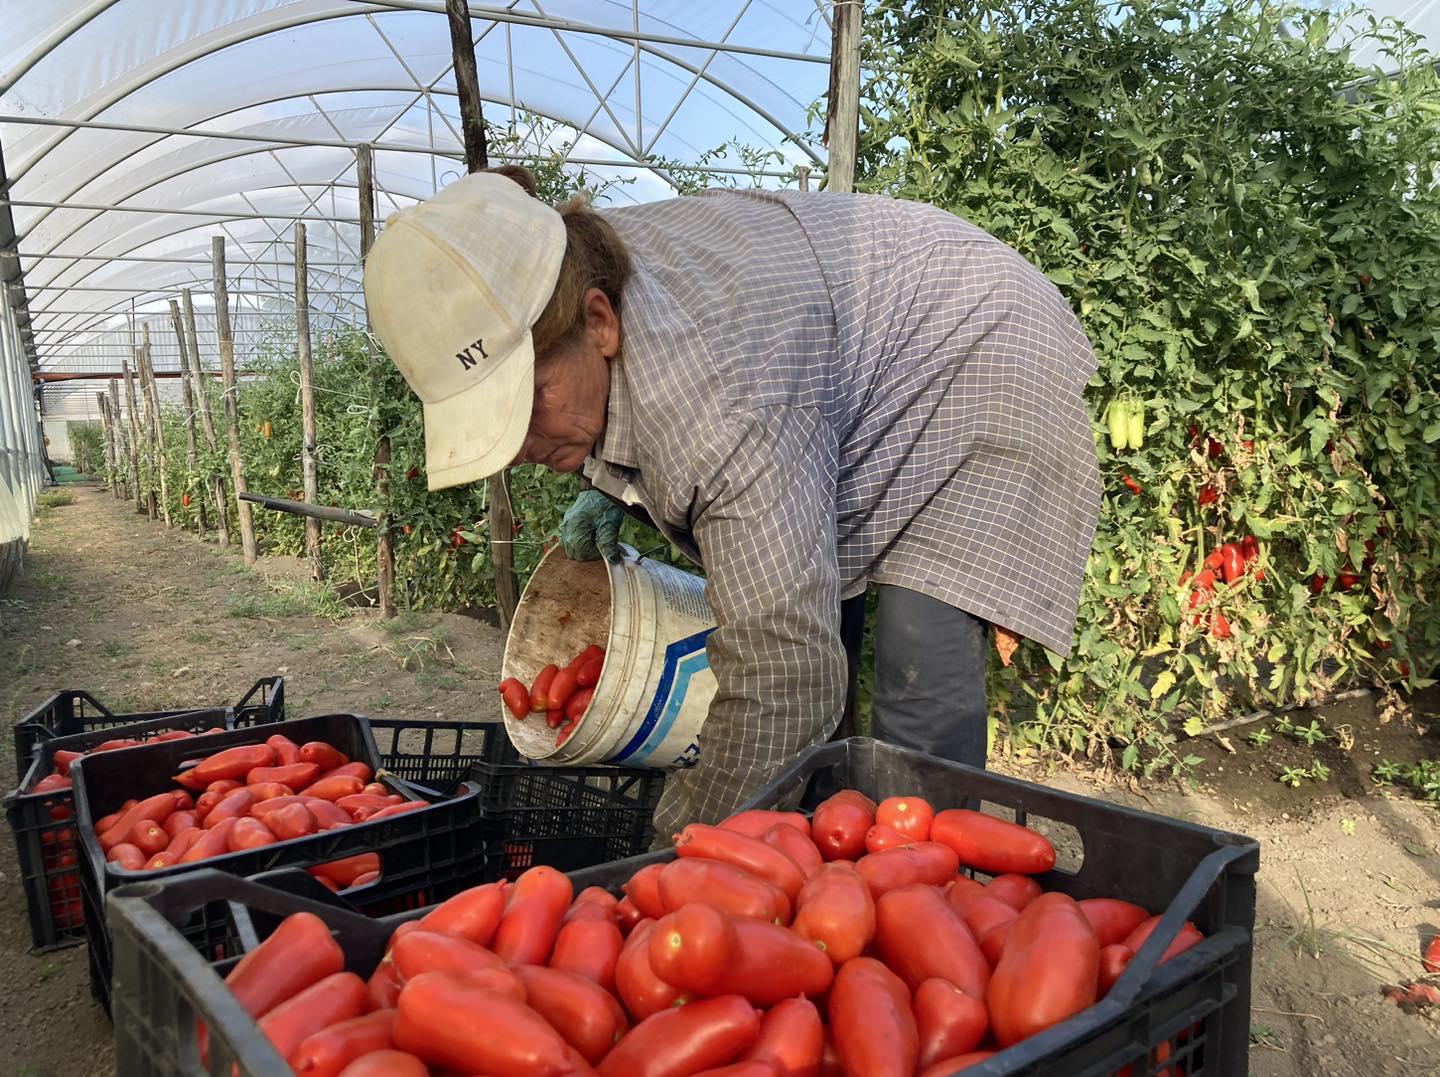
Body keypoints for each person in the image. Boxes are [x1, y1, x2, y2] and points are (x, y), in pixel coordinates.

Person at [364, 168, 1101, 832]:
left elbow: (785, 670)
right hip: (843, 373)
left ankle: (921, 893)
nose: (520, 447)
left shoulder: (715, 394)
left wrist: (677, 851)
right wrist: (616, 493)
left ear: (599, 323)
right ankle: (820, 854)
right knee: (809, 637)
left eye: (527, 407)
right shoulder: (573, 273)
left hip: (975, 352)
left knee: (914, 672)